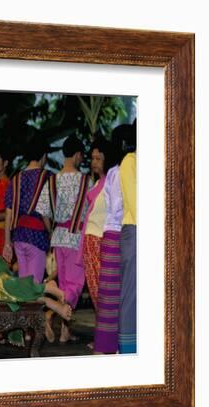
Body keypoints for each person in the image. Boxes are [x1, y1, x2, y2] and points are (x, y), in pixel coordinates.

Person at [36, 134, 92, 343]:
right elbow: (90, 211)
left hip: (58, 236)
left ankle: (64, 330)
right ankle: (50, 313)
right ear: (78, 155)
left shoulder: (53, 180)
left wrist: (52, 231)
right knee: (75, 286)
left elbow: (44, 213)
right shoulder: (85, 180)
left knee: (66, 283)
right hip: (76, 238)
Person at [78, 138, 120, 350]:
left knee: (104, 292)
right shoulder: (96, 184)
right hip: (89, 241)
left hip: (102, 240)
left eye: (98, 158)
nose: (94, 162)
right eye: (92, 158)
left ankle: (110, 336)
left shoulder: (112, 182)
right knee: (95, 291)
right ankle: (103, 335)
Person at [92, 133, 125, 354]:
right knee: (113, 296)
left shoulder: (113, 172)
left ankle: (105, 346)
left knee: (109, 295)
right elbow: (117, 209)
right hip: (116, 233)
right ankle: (106, 346)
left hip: (109, 235)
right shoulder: (118, 172)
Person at [3, 136, 52, 283]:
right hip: (37, 235)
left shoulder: (16, 178)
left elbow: (9, 213)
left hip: (18, 236)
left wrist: (7, 242)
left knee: (24, 283)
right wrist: (51, 233)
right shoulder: (47, 177)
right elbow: (45, 211)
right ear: (43, 156)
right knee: (35, 284)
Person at [115, 123, 137, 354]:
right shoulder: (130, 160)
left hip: (146, 231)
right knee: (131, 295)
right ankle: (129, 350)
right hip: (136, 229)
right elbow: (134, 201)